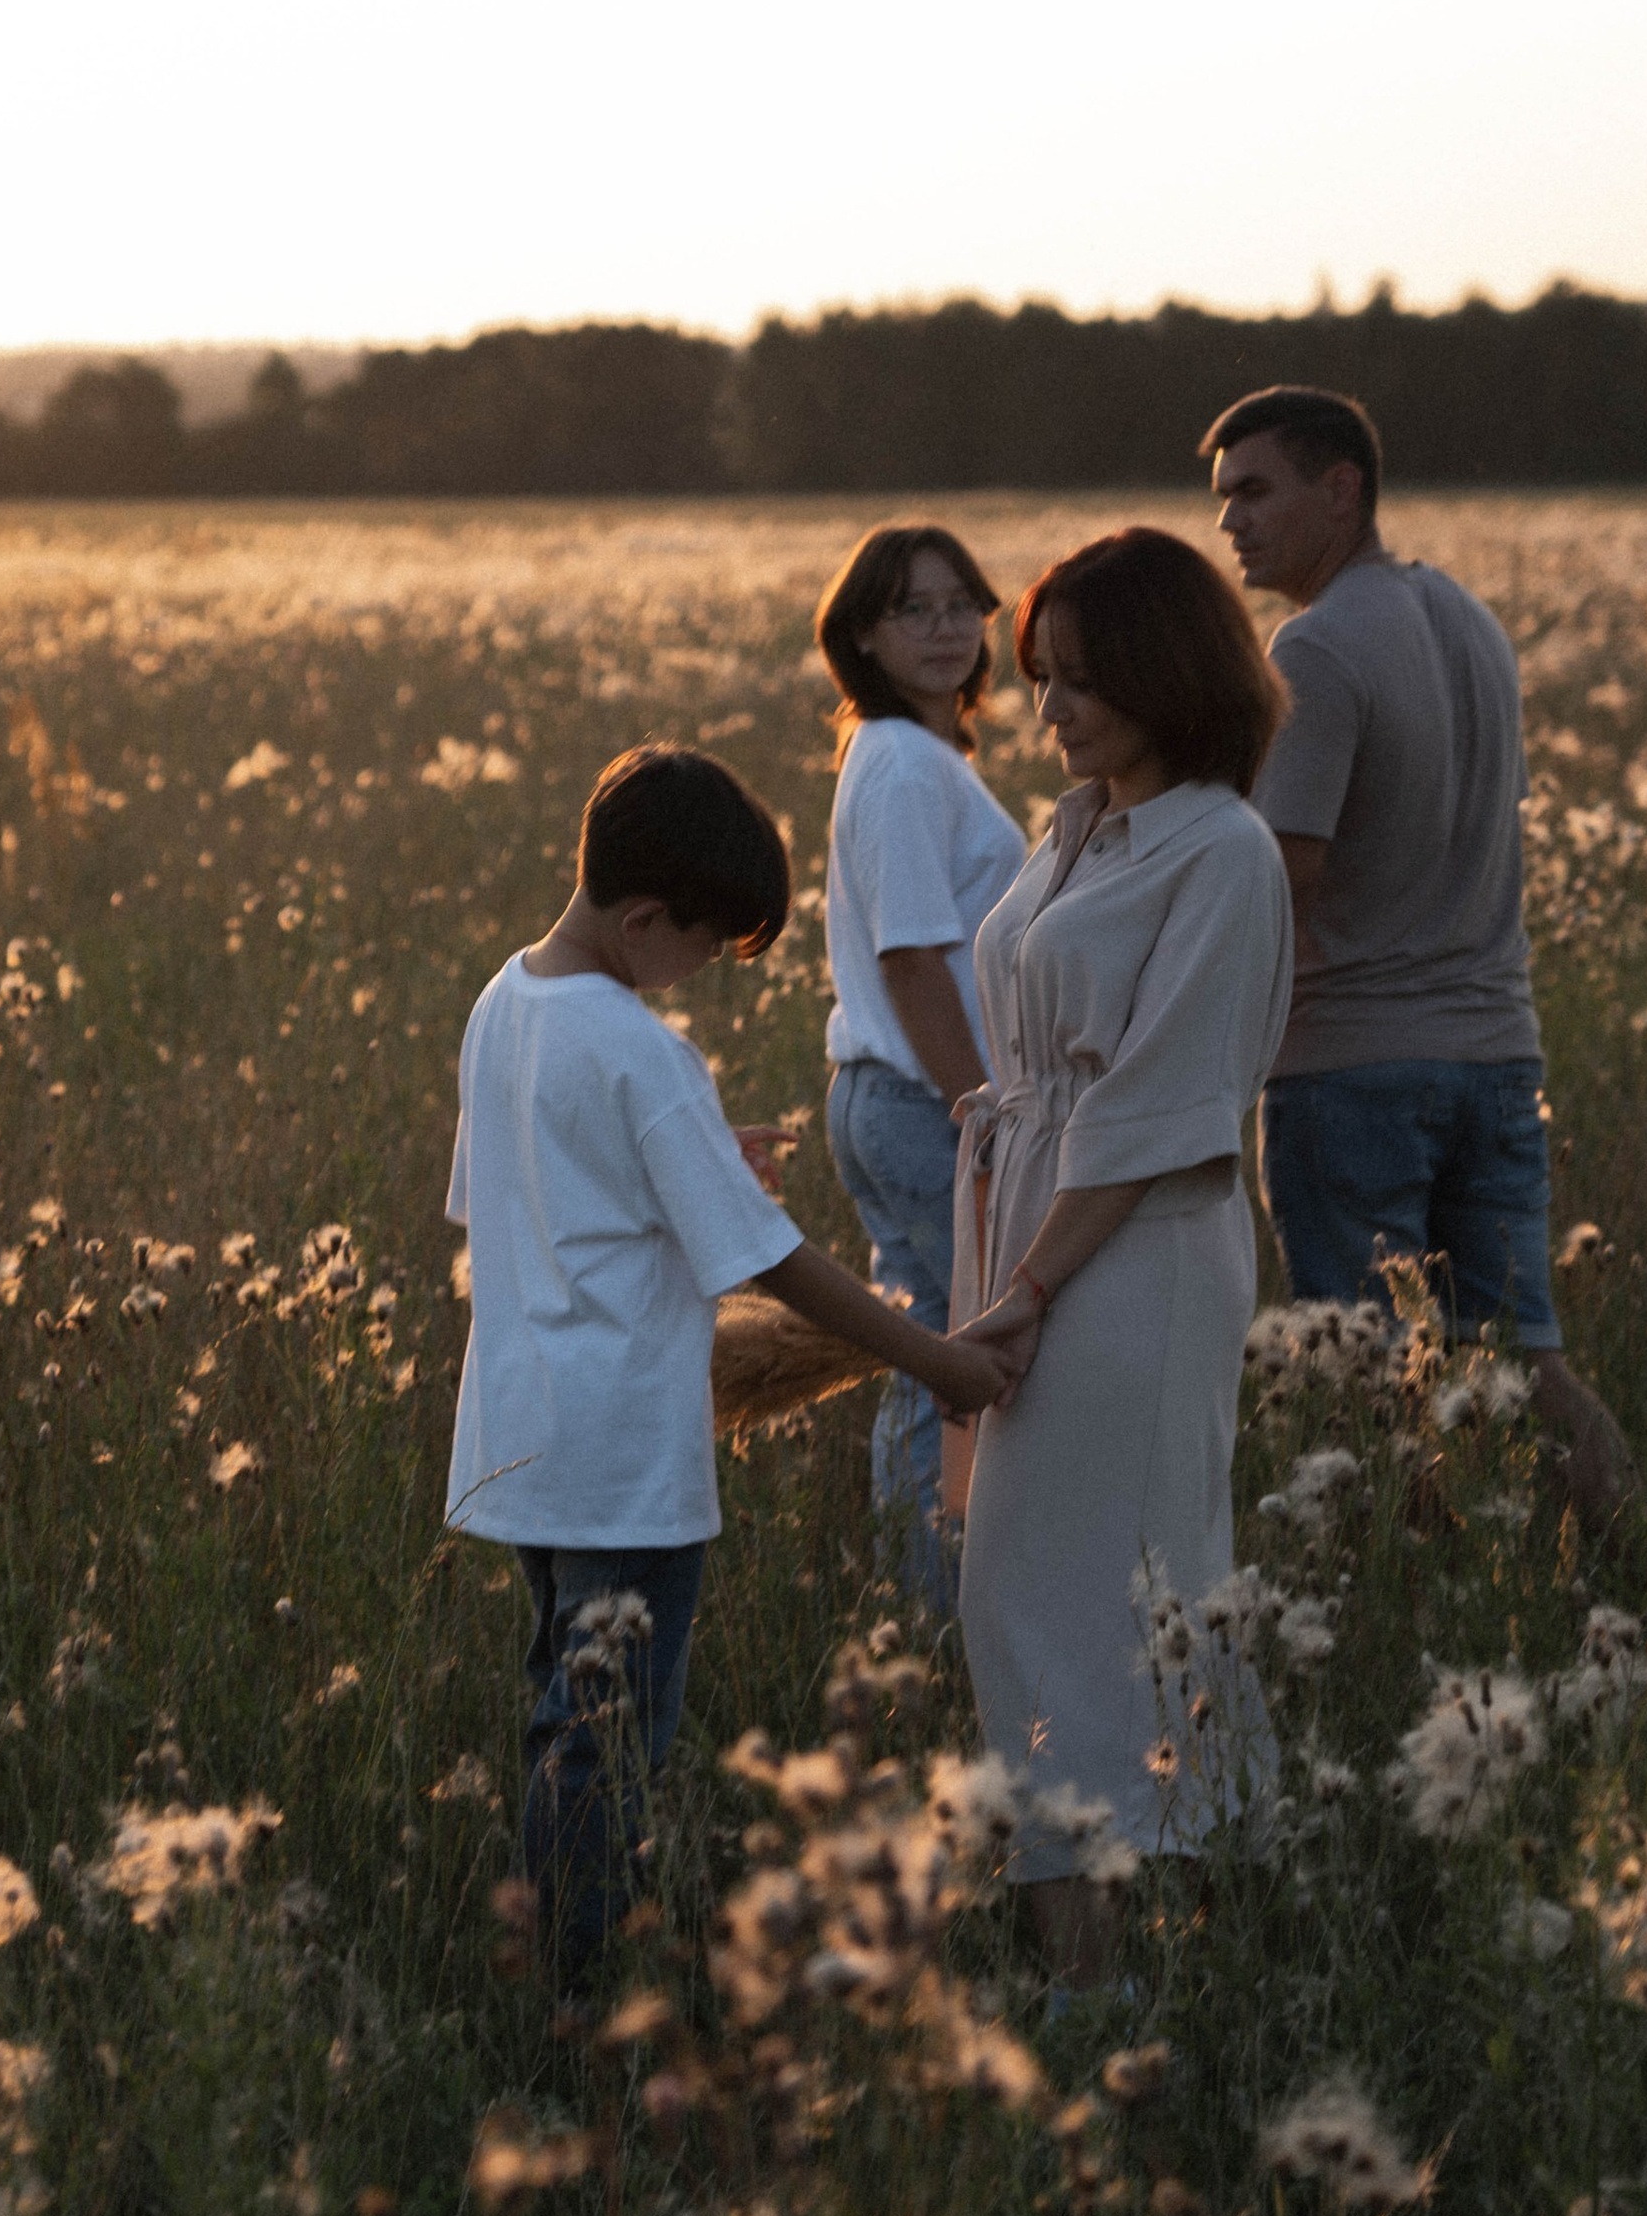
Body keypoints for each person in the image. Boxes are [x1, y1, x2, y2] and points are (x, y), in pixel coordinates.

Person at [445, 742, 1015, 1982]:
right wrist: (934, 1360)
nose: (700, 968)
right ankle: (589, 1991)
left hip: (522, 1439)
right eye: (704, 945)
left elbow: (523, 1188)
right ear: (645, 919)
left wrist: (698, 1160)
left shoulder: (503, 1001)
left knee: (562, 1717)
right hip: (624, 1458)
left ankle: (553, 1963)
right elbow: (773, 1264)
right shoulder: (641, 1050)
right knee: (610, 1745)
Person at [953, 530, 1294, 1987]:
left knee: (1100, 1597)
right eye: (1040, 677)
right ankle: (1130, 1951)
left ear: (1170, 671)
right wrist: (1006, 1266)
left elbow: (1156, 1109)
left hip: (1131, 1252)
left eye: (1083, 680)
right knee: (1034, 1593)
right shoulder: (1080, 828)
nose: (1052, 709)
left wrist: (1027, 1290)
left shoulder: (1222, 851)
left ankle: (1117, 1966)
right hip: (1039, 1225)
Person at [1203, 385, 1635, 1525]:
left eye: (1255, 490)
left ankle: (1416, 1596)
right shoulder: (1471, 621)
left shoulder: (1314, 646)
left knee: (1369, 1382)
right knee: (1527, 1363)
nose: (1229, 521)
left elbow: (1281, 871)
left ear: (1341, 487)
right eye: (1223, 497)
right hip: (1498, 1057)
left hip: (1351, 1073)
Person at [812, 523, 1028, 1619]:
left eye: (962, 605)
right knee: (952, 1361)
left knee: (933, 1353)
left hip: (902, 1098)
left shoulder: (917, 757)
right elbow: (909, 955)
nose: (946, 628)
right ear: (862, 635)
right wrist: (981, 1112)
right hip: (922, 1103)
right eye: (913, 609)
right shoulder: (899, 761)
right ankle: (938, 1607)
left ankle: (928, 1605)